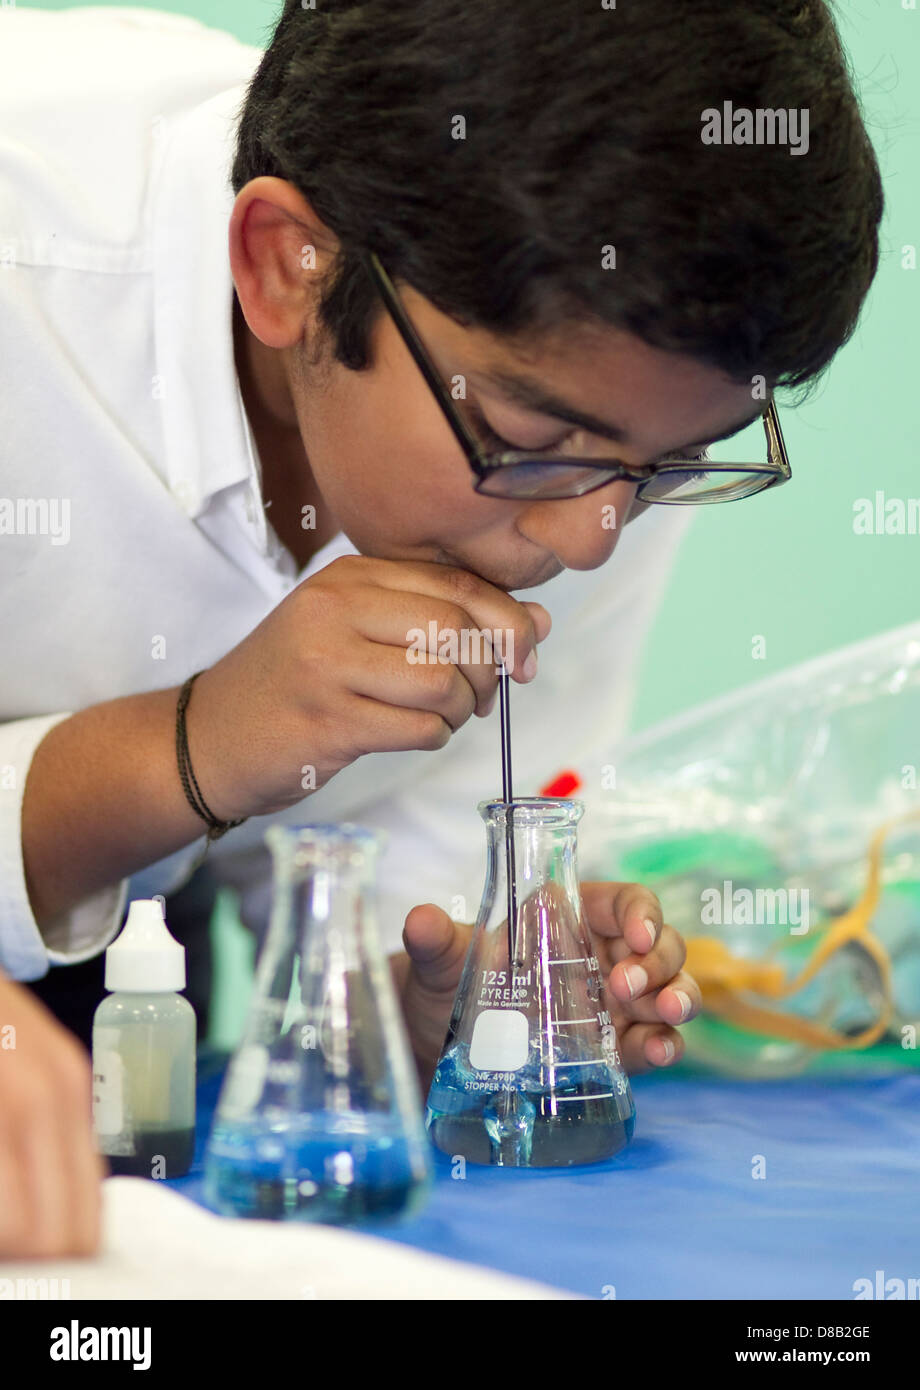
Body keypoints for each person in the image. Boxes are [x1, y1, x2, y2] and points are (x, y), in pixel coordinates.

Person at [0, 0, 882, 1257]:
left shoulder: (599, 428)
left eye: (672, 464)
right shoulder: (24, 259)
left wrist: (435, 1008)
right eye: (530, 447)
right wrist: (187, 746)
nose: (591, 539)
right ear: (283, 264)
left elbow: (371, 881)